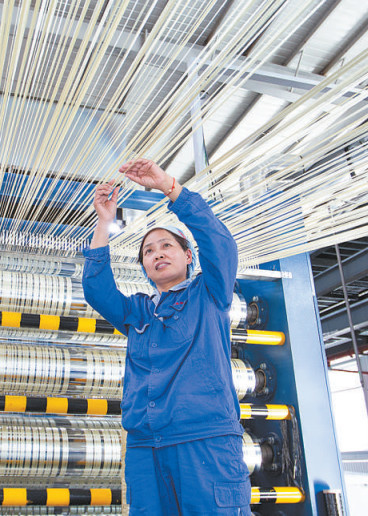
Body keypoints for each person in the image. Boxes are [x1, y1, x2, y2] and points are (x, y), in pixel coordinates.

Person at [83, 158, 251, 515]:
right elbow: (97, 290)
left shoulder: (209, 294)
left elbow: (220, 244)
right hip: (146, 447)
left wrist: (167, 186)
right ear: (144, 267)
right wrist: (103, 220)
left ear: (189, 256)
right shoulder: (138, 312)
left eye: (166, 246)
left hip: (205, 442)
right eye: (148, 251)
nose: (157, 252)